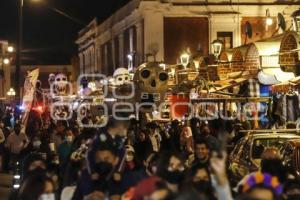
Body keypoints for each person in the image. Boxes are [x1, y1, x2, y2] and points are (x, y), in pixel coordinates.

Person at [72, 132, 122, 200]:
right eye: (99, 159)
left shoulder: (123, 179)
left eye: (107, 159)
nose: (102, 162)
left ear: (115, 160)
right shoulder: (86, 177)